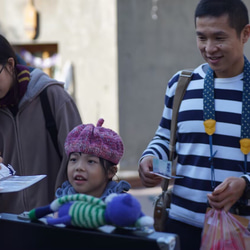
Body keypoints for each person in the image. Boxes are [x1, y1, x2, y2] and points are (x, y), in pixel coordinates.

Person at [138, 0, 250, 249]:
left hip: (242, 230)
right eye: (202, 38)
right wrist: (149, 159)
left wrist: (245, 183)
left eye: (219, 38)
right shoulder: (182, 84)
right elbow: (165, 138)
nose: (209, 48)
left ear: (245, 34)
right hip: (181, 225)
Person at [0, 34, 82, 214]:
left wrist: (65, 209)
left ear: (10, 65)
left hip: (55, 221)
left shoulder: (52, 97)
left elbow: (80, 159)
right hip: (9, 226)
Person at [55, 118, 131, 200]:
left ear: (111, 171)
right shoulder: (62, 201)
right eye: (73, 160)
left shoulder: (119, 206)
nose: (79, 167)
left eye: (90, 161)